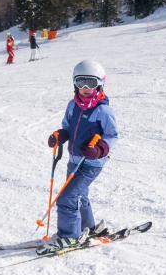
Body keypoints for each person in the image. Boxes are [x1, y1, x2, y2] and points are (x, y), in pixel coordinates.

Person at [45, 59, 118, 249]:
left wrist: (99, 149)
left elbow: (112, 135)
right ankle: (88, 227)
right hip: (74, 160)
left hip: (92, 164)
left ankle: (69, 235)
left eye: (91, 83)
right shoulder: (73, 105)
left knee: (67, 197)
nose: (85, 87)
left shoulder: (103, 110)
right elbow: (68, 127)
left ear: (100, 84)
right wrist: (60, 136)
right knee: (80, 195)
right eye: (80, 82)